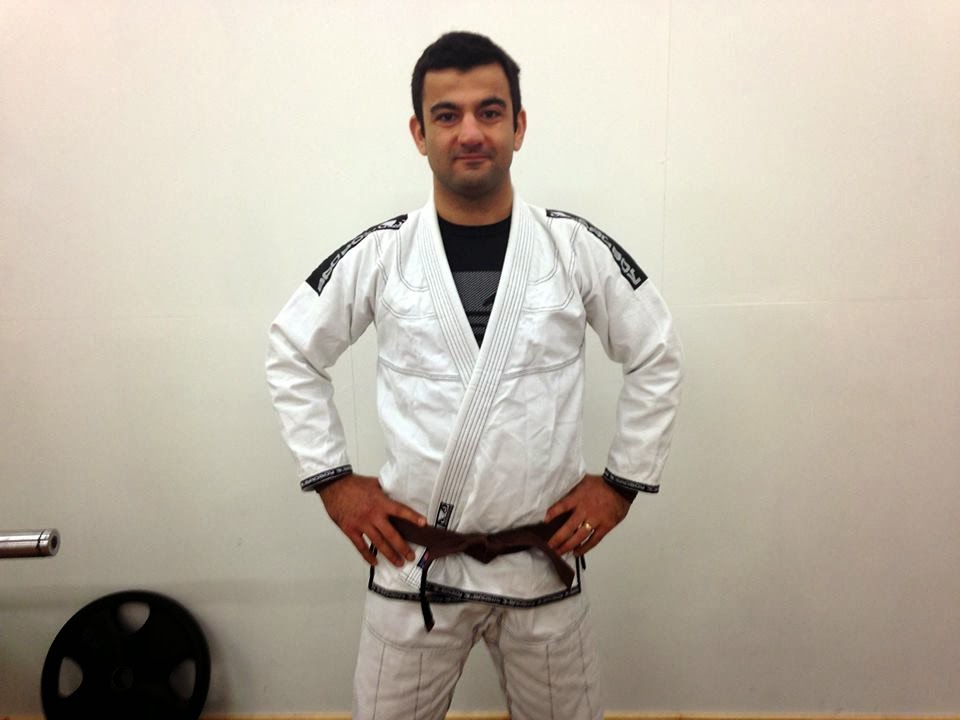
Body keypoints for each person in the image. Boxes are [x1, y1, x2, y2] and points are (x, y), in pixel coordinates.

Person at [266, 30, 682, 720]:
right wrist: (334, 482)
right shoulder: (384, 254)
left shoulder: (572, 247)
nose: (469, 132)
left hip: (541, 561)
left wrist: (620, 484)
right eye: (447, 115)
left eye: (490, 112)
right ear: (419, 133)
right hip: (416, 565)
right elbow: (291, 349)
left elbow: (656, 351)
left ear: (519, 126)